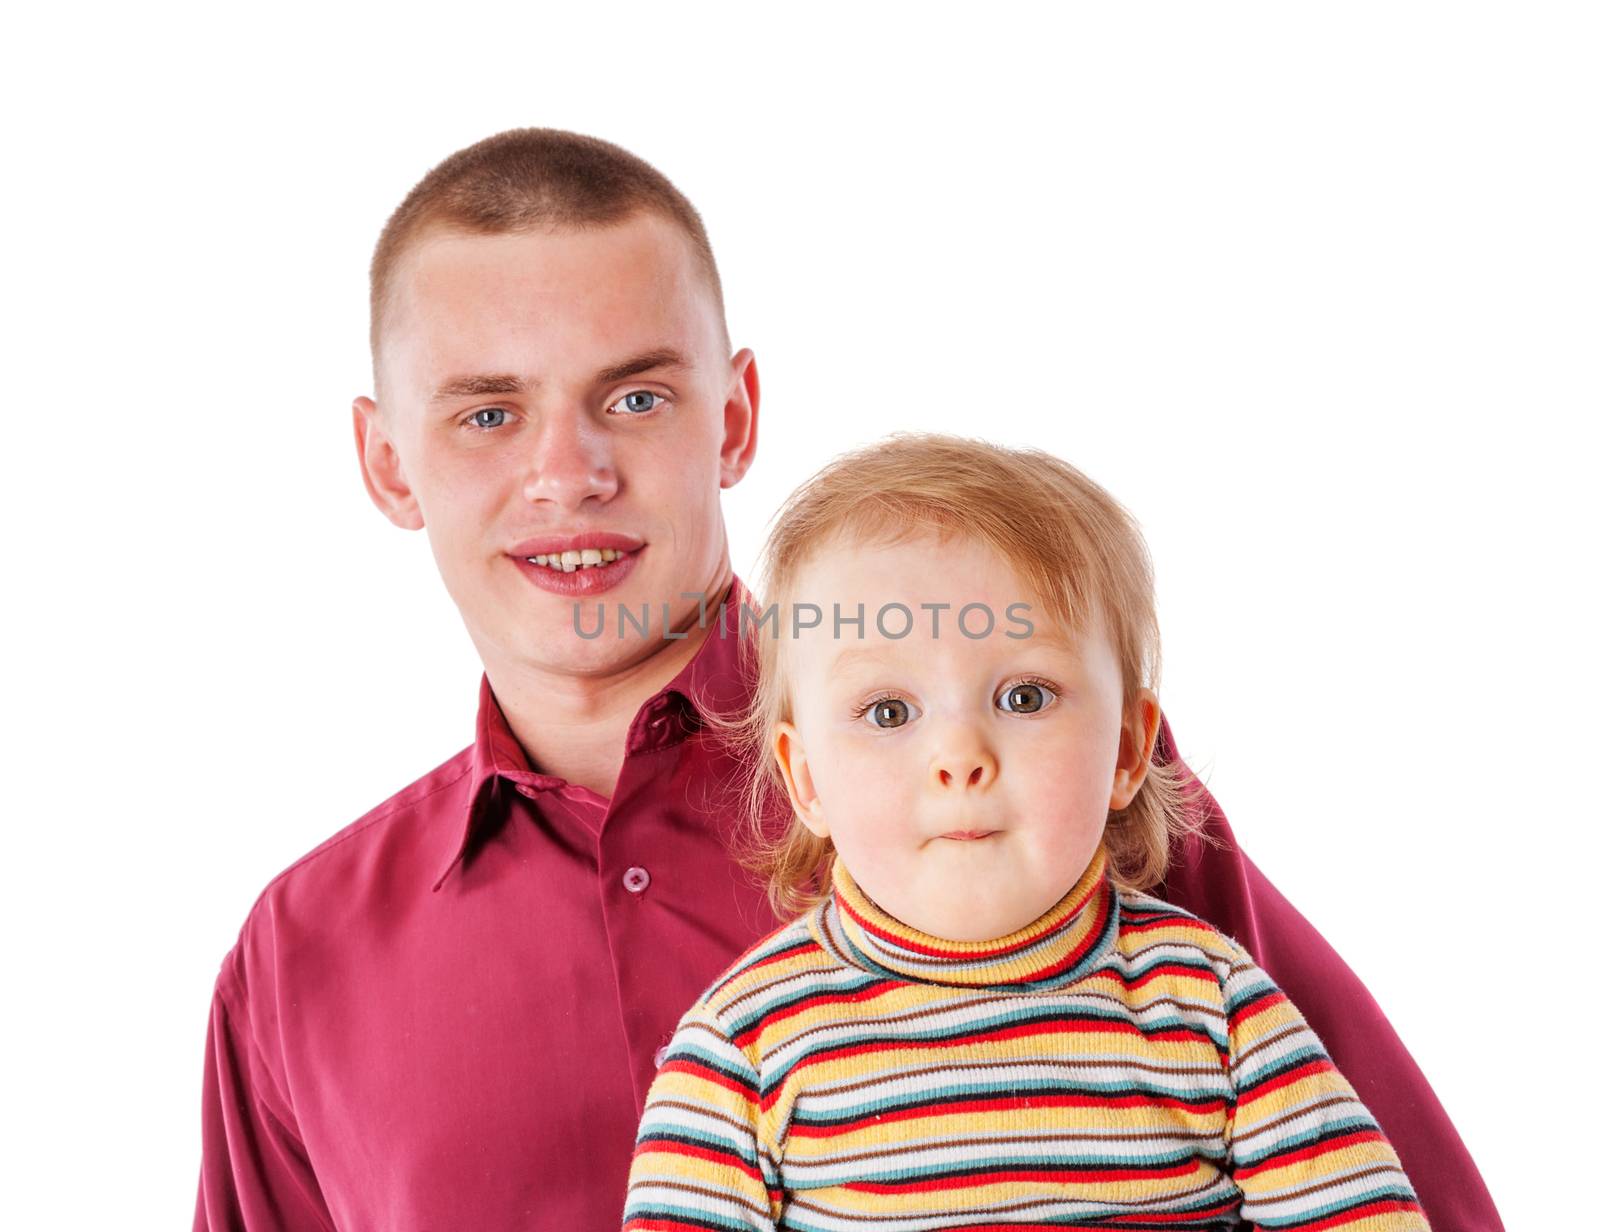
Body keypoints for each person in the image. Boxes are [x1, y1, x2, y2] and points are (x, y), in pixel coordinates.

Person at [192, 128, 1498, 1230]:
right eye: (486, 413)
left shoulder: (1043, 766)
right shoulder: (295, 964)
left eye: (636, 399)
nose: (567, 471)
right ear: (387, 464)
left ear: (737, 417)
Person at [622, 435, 1429, 1229]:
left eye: (1025, 698)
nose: (960, 759)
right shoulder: (743, 1050)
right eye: (889, 712)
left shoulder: (1212, 1010)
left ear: (1125, 749)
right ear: (805, 781)